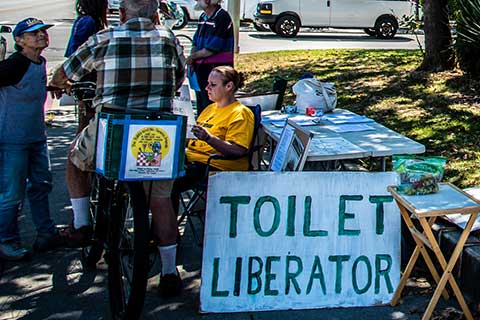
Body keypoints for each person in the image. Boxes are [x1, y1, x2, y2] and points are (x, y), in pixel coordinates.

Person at [49, 0, 186, 298]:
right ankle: (169, 270)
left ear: (121, 14)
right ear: (157, 14)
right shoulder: (168, 38)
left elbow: (66, 71)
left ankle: (82, 222)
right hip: (157, 131)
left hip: (113, 127)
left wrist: (60, 84)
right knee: (160, 201)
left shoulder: (105, 38)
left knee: (75, 157)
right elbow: (180, 77)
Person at [0, 18, 64, 261]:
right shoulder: (14, 64)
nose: (41, 36)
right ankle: (7, 241)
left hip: (36, 137)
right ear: (19, 41)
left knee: (41, 186)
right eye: (33, 33)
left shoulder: (39, 61)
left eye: (43, 32)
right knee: (11, 193)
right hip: (12, 140)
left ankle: (45, 233)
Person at [171, 66, 254, 213]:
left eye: (213, 85)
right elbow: (191, 139)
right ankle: (163, 230)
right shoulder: (210, 109)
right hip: (193, 159)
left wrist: (209, 138)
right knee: (158, 175)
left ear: (229, 86)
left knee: (167, 185)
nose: (207, 87)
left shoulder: (240, 113)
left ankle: (165, 232)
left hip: (215, 165)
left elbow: (238, 150)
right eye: (208, 83)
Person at [65, 0, 108, 132]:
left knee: (88, 124)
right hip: (87, 81)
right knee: (86, 125)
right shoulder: (89, 22)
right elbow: (77, 52)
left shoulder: (84, 20)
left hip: (87, 80)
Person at [186, 0, 234, 115]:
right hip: (202, 69)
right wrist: (193, 59)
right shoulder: (203, 17)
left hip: (217, 70)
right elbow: (195, 41)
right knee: (202, 106)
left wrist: (192, 58)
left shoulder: (222, 16)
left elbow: (212, 48)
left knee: (213, 106)